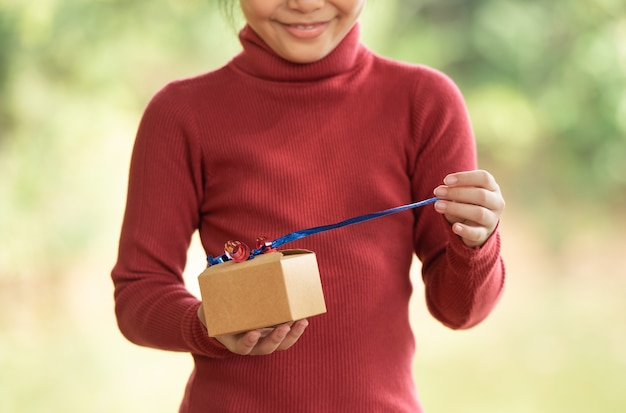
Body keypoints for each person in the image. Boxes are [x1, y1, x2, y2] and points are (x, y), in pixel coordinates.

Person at [111, 0, 506, 412]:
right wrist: (205, 324)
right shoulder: (181, 114)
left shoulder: (425, 102)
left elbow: (460, 312)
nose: (305, 3)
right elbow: (140, 293)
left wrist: (476, 243)